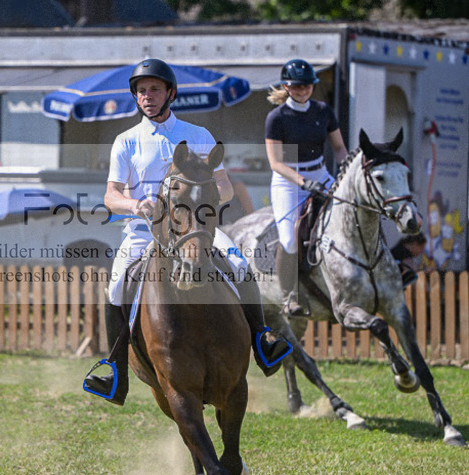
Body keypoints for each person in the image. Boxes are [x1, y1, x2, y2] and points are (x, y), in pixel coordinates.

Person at [84, 58, 291, 405]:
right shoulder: (126, 141)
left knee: (239, 265)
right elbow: (111, 195)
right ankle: (114, 370)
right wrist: (136, 206)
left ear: (171, 93)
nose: (147, 96)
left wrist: (206, 194)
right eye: (141, 91)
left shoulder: (199, 136)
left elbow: (224, 187)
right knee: (117, 283)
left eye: (154, 89)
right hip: (143, 231)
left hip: (197, 228)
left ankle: (262, 339)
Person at [264, 58, 348, 317]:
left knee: (353, 212)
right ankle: (290, 297)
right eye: (297, 87)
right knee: (289, 239)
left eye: (307, 86)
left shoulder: (323, 110)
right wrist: (303, 182)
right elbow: (276, 163)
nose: (303, 91)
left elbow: (339, 149)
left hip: (320, 173)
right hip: (289, 181)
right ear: (287, 87)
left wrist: (345, 173)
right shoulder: (276, 118)